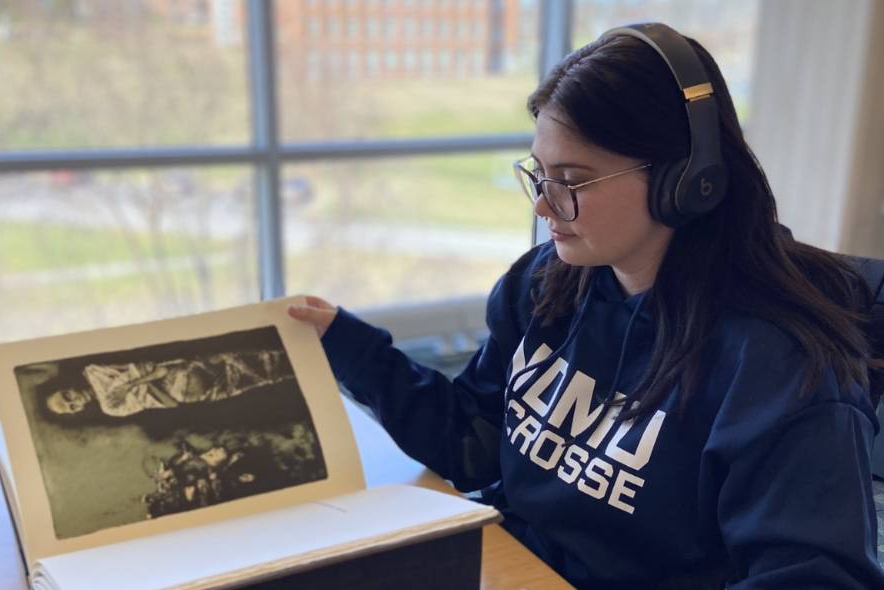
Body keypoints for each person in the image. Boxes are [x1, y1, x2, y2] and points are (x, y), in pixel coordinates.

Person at [286, 22, 884, 589]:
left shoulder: (779, 370)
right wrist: (348, 346)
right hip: (508, 565)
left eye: (571, 180)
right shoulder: (550, 282)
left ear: (689, 181)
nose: (544, 207)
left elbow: (811, 578)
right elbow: (473, 442)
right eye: (539, 175)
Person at [44, 350, 291, 418]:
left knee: (263, 360)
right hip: (185, 390)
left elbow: (139, 365)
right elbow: (166, 400)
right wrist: (146, 379)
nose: (75, 401)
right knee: (266, 378)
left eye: (67, 395)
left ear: (67, 385)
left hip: (182, 371)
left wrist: (145, 377)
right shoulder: (110, 407)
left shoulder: (93, 370)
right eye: (71, 407)